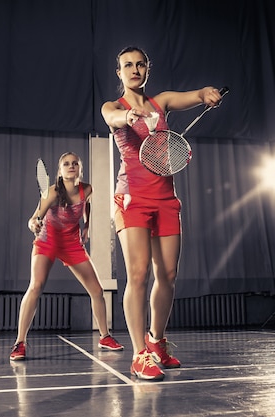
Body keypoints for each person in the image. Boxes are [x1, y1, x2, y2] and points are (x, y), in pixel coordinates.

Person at [101, 46, 224, 380]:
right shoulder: (114, 107)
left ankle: (157, 342)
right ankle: (140, 353)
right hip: (132, 199)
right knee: (138, 274)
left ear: (148, 69)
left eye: (140, 64)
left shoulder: (162, 101)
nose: (135, 69)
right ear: (119, 72)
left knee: (167, 275)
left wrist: (207, 94)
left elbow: (195, 95)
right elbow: (111, 117)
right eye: (128, 65)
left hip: (166, 198)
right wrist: (125, 118)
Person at [10, 152, 123, 360]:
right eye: (66, 164)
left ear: (80, 168)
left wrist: (87, 227)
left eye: (75, 164)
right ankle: (20, 343)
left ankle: (105, 337)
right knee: (35, 286)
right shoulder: (52, 193)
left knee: (97, 290)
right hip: (48, 241)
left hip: (72, 244)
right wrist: (34, 224)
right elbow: (34, 218)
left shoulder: (87, 189)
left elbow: (86, 205)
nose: (71, 166)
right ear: (60, 171)